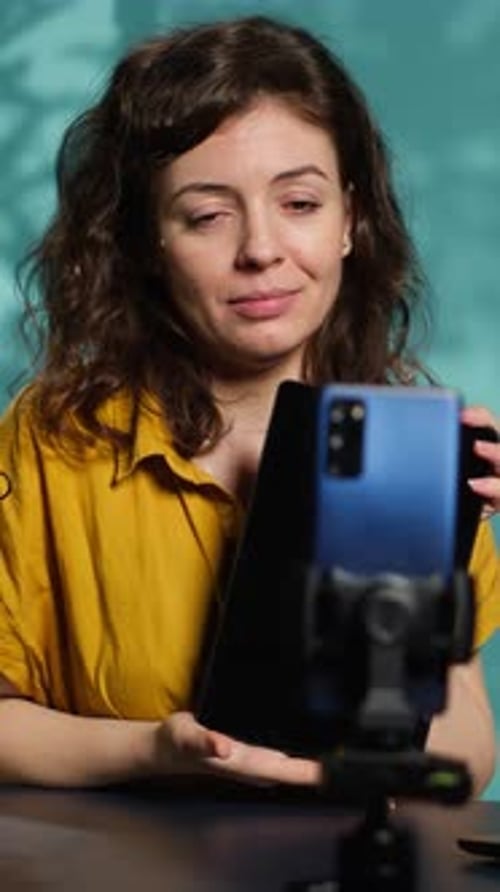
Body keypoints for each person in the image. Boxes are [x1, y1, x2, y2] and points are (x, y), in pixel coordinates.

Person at [0, 15, 499, 794]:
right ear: (145, 245)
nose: (261, 249)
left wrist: (436, 537)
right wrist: (156, 751)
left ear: (350, 223)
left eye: (300, 203)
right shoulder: (53, 437)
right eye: (207, 215)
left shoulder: (406, 447)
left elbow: (464, 758)